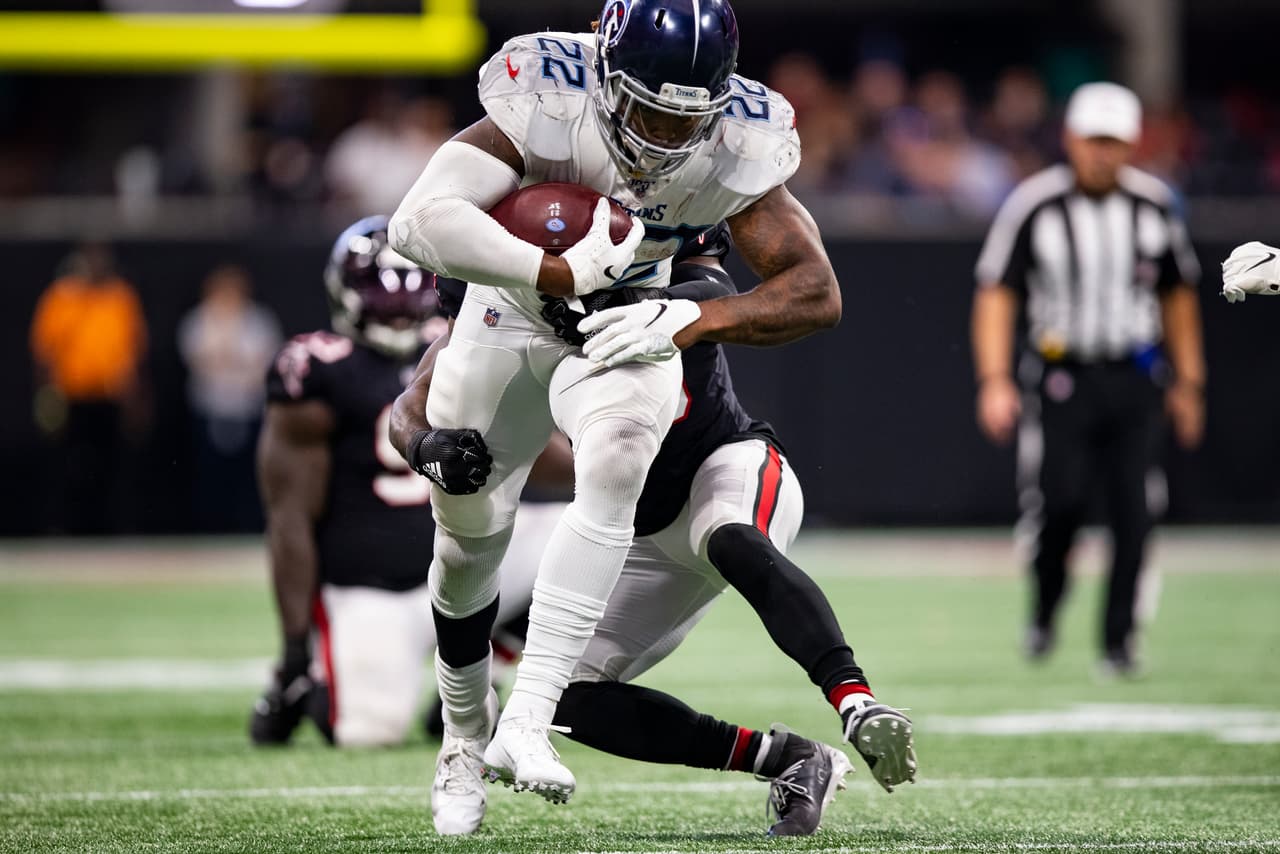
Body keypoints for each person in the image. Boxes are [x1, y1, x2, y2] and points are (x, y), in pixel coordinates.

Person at [388, 0, 843, 813]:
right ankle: (464, 739)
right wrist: (555, 273)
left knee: (620, 456)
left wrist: (693, 314)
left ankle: (526, 718)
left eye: (684, 120)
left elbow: (816, 291)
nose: (663, 138)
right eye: (646, 109)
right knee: (467, 545)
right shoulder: (549, 91)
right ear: (602, 73)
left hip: (626, 322)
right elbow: (415, 221)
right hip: (515, 309)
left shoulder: (742, 142)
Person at [391, 229, 916, 837]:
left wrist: (632, 302)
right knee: (564, 697)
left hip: (720, 463)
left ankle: (855, 699)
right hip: (632, 531)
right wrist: (423, 445)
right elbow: (422, 391)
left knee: (728, 535)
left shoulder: (645, 228)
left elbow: (712, 285)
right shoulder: (499, 303)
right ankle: (791, 760)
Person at [249, 216, 567, 749]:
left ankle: (478, 673)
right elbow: (289, 520)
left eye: (408, 291)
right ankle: (301, 683)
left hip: (459, 562)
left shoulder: (457, 351)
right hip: (372, 593)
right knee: (365, 733)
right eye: (380, 292)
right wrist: (295, 654)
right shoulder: (317, 370)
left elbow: (546, 457)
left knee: (586, 540)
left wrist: (615, 463)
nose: (396, 308)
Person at [970, 82, 1207, 676]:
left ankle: (1119, 640)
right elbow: (997, 294)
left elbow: (1179, 296)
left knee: (1135, 510)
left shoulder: (1153, 205)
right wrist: (995, 378)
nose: (1104, 153)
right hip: (1061, 377)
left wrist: (1189, 381)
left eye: (1115, 142)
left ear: (1130, 145)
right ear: (1072, 139)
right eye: (1095, 140)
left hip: (1134, 374)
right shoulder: (1035, 204)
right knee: (1061, 504)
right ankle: (1046, 611)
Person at [29, 241, 149, 535]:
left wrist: (136, 395)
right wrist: (46, 396)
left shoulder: (120, 297)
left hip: (110, 397)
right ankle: (66, 528)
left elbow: (133, 348)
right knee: (69, 467)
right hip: (71, 395)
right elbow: (44, 350)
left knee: (111, 466)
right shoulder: (62, 297)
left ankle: (111, 529)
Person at [178, 265, 282, 532]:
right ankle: (210, 528)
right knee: (211, 477)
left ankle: (248, 527)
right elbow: (201, 362)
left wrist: (230, 361)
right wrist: (233, 360)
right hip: (210, 409)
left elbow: (265, 365)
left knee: (250, 477)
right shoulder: (197, 321)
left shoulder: (258, 322)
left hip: (248, 411)